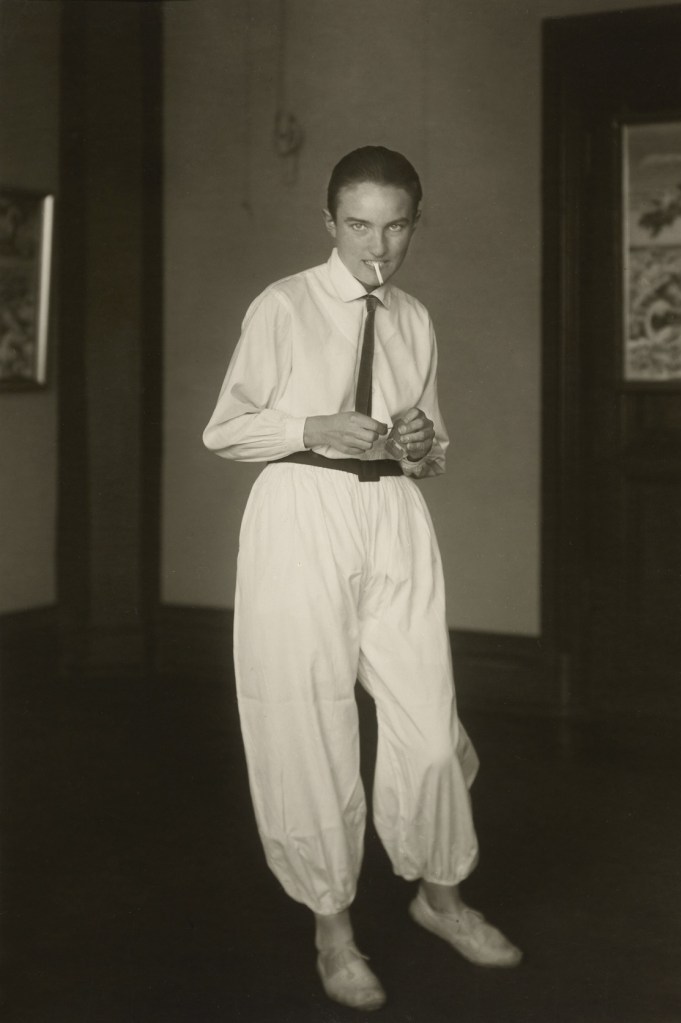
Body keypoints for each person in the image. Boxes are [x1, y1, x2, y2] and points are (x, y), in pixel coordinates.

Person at [203, 146, 522, 1011]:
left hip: (394, 518)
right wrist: (309, 425)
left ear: (414, 224)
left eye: (395, 226)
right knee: (307, 723)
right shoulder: (283, 304)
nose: (376, 245)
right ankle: (333, 932)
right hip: (300, 513)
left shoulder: (414, 318)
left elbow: (430, 446)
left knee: (429, 723)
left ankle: (440, 898)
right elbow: (225, 429)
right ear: (329, 222)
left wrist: (419, 445)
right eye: (358, 224)